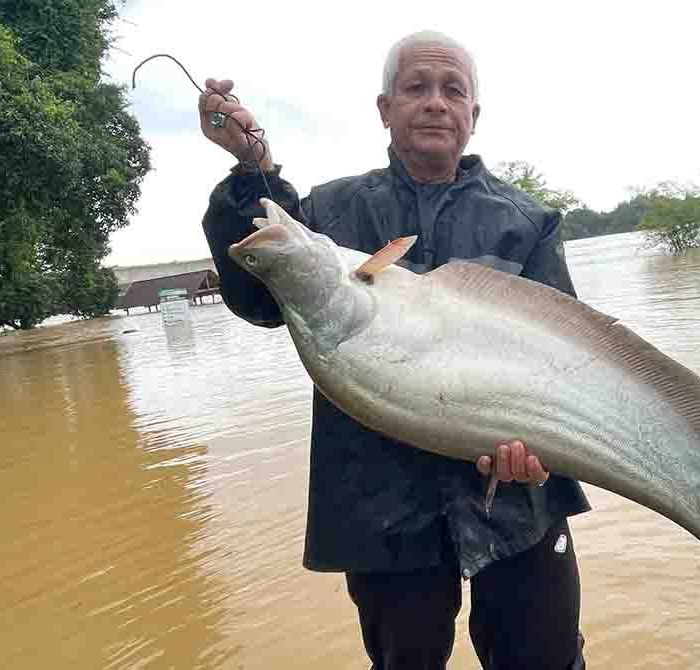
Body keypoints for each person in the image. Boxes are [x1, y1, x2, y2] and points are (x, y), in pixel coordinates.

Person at [197, 30, 590, 670]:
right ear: (385, 108)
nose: (435, 102)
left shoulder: (528, 223)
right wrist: (250, 167)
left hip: (519, 509)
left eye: (452, 90)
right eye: (416, 88)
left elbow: (568, 362)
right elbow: (259, 296)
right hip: (383, 511)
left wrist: (542, 456)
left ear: (474, 115)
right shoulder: (326, 212)